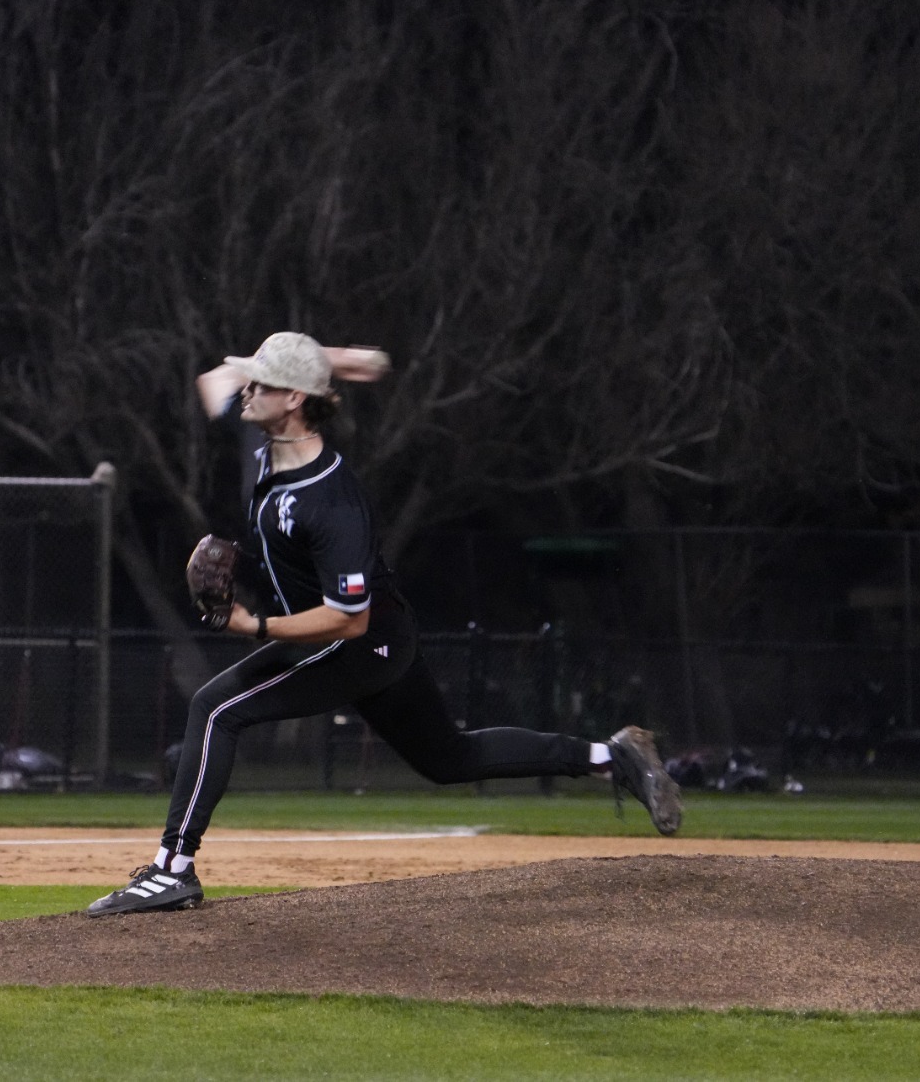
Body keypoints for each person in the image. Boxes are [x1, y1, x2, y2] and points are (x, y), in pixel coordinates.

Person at [85, 331, 683, 916]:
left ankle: (172, 870)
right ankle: (613, 756)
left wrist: (257, 625)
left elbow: (349, 619)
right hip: (371, 642)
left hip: (357, 644)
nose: (247, 390)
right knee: (449, 760)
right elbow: (216, 378)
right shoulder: (261, 441)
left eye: (263, 383)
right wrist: (331, 362)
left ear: (292, 400)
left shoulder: (332, 500)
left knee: (215, 708)